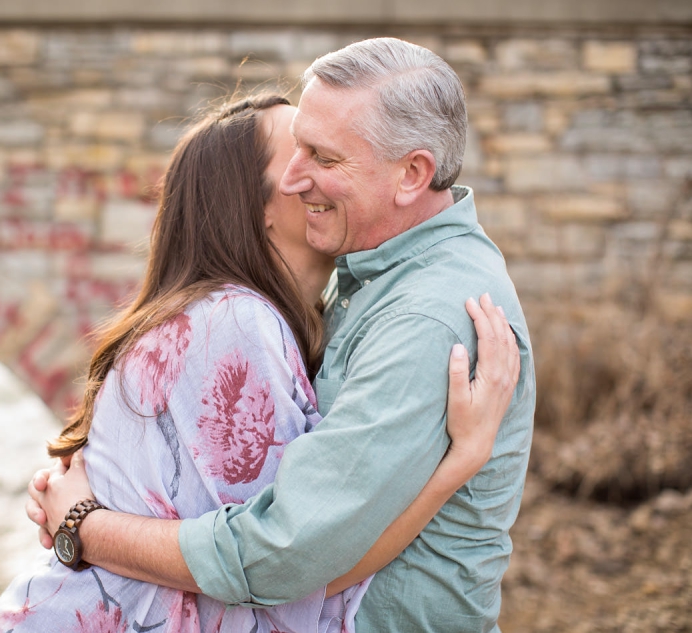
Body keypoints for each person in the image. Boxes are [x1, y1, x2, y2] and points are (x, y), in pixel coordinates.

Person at [27, 37, 535, 632]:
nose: (298, 178)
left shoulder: (423, 317)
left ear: (411, 174)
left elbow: (283, 558)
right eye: (295, 151)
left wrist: (83, 528)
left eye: (322, 156)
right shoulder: (344, 284)